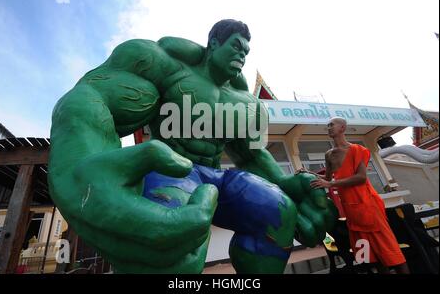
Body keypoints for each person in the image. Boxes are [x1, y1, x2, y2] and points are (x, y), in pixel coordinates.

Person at [49, 19, 336, 273]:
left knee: (279, 210)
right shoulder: (167, 64)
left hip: (216, 177)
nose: (242, 55)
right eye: (236, 46)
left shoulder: (246, 102)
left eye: (246, 52)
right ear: (213, 42)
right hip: (173, 169)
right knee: (174, 243)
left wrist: (285, 183)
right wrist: (81, 163)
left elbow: (251, 156)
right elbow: (90, 97)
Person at [309, 117, 410, 274]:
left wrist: (331, 184)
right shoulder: (329, 154)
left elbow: (361, 177)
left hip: (368, 206)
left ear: (342, 128)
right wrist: (308, 173)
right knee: (368, 255)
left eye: (331, 125)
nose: (328, 128)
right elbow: (327, 178)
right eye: (327, 126)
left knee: (390, 250)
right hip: (351, 210)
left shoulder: (357, 149)